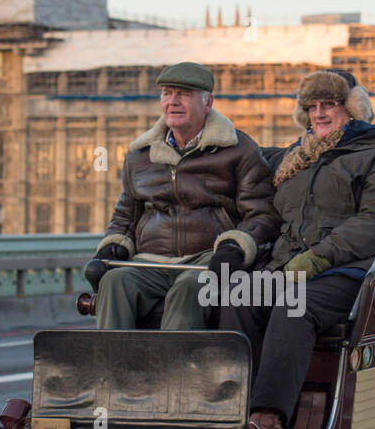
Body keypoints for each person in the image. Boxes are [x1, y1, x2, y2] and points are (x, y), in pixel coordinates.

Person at [221, 69, 375, 429]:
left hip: (348, 271)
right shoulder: (295, 160)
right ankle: (230, 408)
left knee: (294, 306)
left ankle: (268, 417)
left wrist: (319, 257)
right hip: (288, 266)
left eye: (330, 104)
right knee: (236, 298)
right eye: (312, 107)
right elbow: (268, 214)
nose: (320, 113)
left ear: (353, 107)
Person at [88, 62, 278, 329]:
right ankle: (110, 366)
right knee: (113, 282)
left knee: (190, 287)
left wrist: (235, 244)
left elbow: (262, 213)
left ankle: (172, 369)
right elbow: (125, 216)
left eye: (184, 94)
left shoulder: (241, 150)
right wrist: (113, 244)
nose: (173, 102)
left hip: (205, 259)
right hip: (150, 260)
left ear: (208, 102)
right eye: (167, 93)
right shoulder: (139, 156)